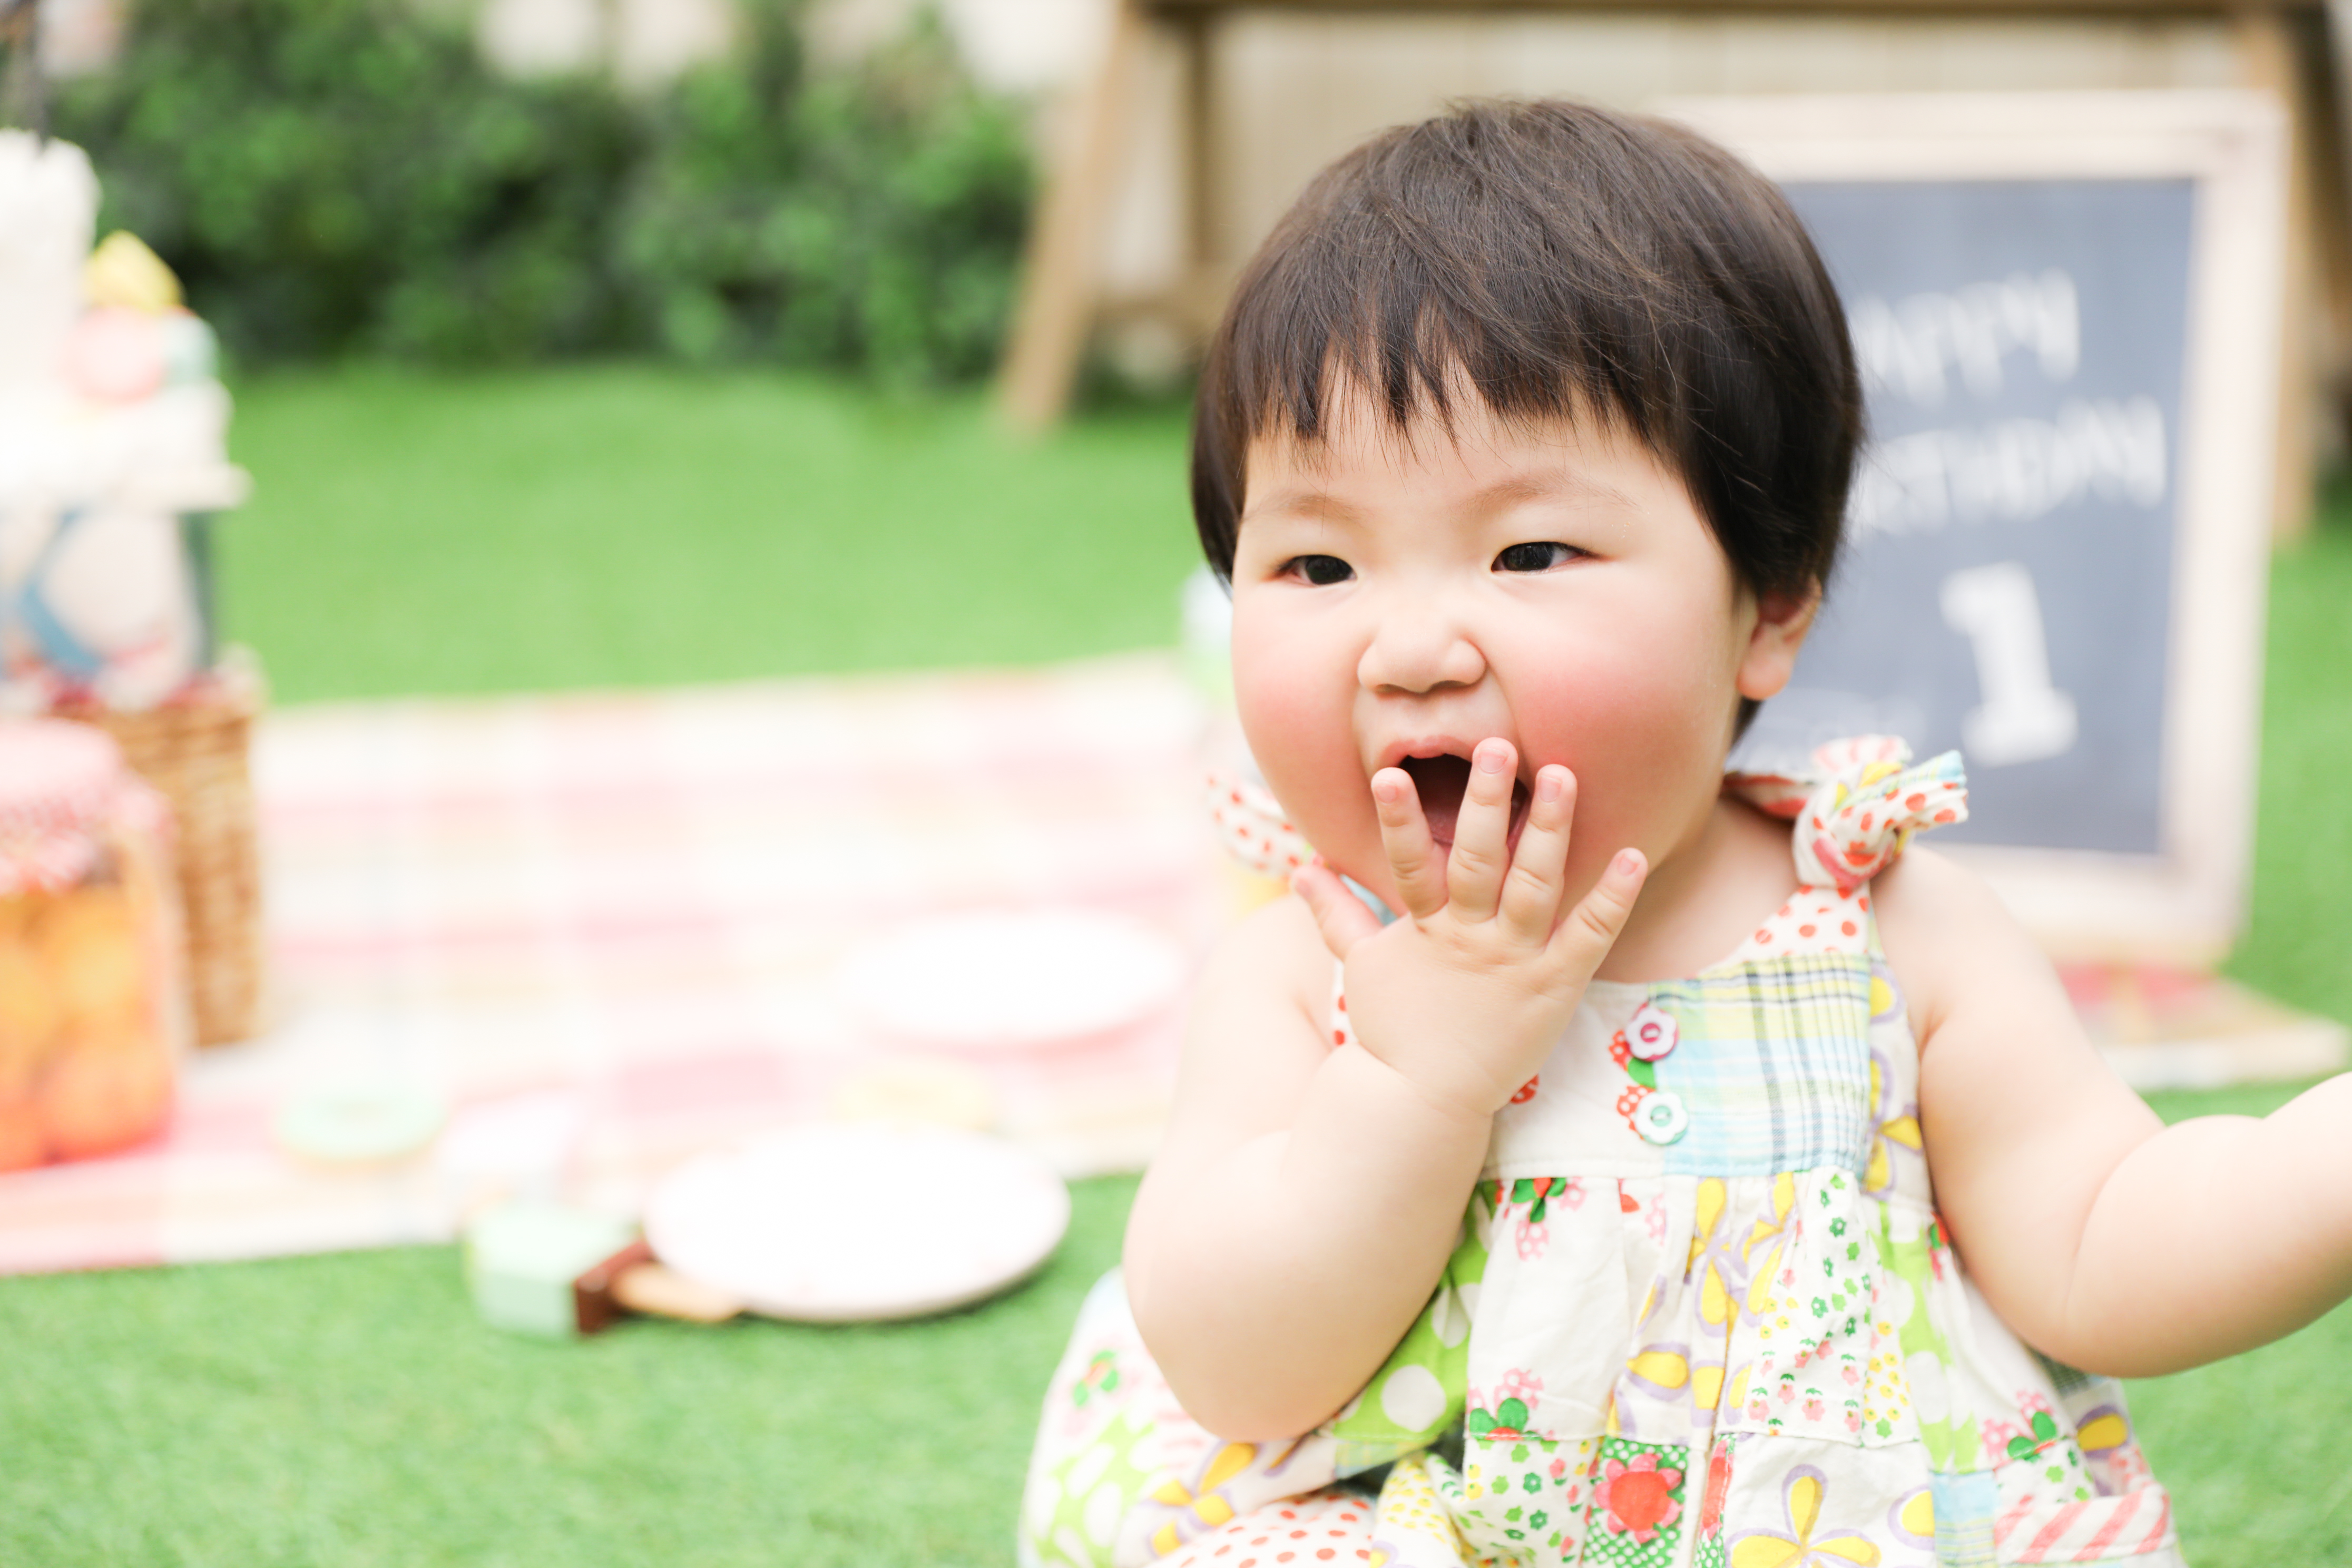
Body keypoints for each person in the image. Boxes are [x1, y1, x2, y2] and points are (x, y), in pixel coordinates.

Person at [1019, 100, 2349, 1568]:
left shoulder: (1890, 935)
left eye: (1531, 552)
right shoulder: (1307, 977)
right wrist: (1412, 1078)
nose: (1407, 646)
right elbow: (1238, 1369)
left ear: (1767, 608)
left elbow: (2104, 1239)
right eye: (1316, 561)